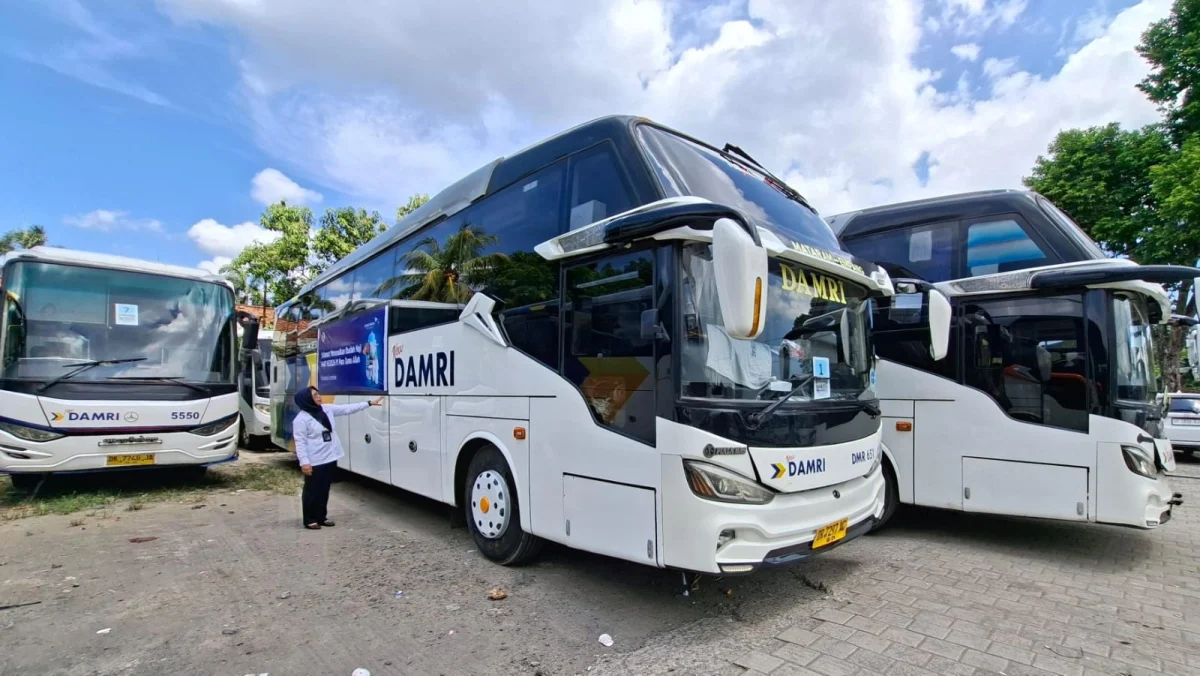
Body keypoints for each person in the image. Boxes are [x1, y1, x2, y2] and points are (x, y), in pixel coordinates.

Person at [293, 386, 383, 530]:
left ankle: (321, 516)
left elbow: (346, 409)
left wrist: (368, 403)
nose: (319, 397)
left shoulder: (326, 409)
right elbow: (300, 443)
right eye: (315, 396)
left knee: (324, 489)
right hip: (315, 460)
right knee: (312, 490)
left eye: (318, 394)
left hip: (330, 456)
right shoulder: (301, 420)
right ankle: (310, 519)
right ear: (307, 399)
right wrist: (304, 463)